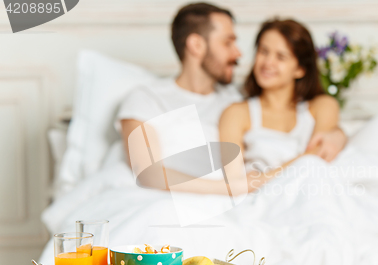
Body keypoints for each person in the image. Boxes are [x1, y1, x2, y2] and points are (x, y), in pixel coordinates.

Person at [117, 2, 347, 191]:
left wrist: (338, 134)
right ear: (196, 45)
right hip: (203, 198)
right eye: (228, 42)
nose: (239, 53)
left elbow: (286, 107)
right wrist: (234, 189)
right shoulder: (147, 99)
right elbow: (148, 173)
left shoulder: (235, 96)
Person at [219, 19, 341, 189]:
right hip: (261, 201)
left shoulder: (322, 106)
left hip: (311, 194)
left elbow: (319, 157)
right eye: (263, 51)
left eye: (281, 56)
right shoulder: (236, 113)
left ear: (300, 69)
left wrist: (263, 179)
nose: (268, 62)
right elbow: (233, 182)